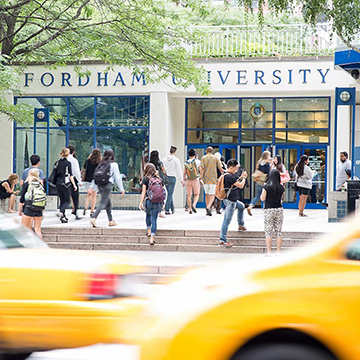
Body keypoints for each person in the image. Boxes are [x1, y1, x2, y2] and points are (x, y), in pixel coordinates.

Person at [90, 149, 125, 228]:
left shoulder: (101, 163)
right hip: (107, 185)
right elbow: (118, 178)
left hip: (100, 185)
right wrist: (121, 188)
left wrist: (92, 186)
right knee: (103, 202)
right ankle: (94, 217)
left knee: (107, 202)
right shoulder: (114, 164)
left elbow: (95, 176)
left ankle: (111, 221)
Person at [219, 159, 248, 248]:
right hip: (231, 201)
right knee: (226, 220)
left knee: (241, 206)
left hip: (230, 200)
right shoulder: (229, 177)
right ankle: (222, 239)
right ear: (231, 167)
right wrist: (244, 178)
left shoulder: (227, 175)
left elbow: (234, 182)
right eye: (235, 168)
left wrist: (240, 177)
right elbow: (240, 185)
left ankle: (240, 224)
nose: (236, 170)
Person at [260, 169, 285, 255]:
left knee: (268, 231)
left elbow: (262, 198)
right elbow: (282, 199)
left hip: (269, 210)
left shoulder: (266, 186)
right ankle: (278, 252)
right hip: (279, 209)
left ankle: (269, 252)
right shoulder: (281, 187)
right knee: (278, 231)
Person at [139, 163, 164, 245]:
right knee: (154, 219)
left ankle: (149, 231)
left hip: (148, 201)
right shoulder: (159, 179)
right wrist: (162, 203)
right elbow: (162, 191)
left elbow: (144, 191)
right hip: (157, 202)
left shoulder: (146, 179)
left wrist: (141, 202)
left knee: (148, 215)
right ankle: (152, 238)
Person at [19, 169, 45, 238]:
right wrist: (42, 210)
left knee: (24, 228)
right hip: (39, 207)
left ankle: (25, 246)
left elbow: (22, 199)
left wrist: (19, 211)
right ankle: (40, 246)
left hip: (29, 207)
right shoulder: (40, 184)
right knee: (38, 229)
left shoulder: (26, 184)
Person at [54, 148, 77, 223]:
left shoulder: (57, 162)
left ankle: (63, 216)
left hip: (58, 183)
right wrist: (74, 185)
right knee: (67, 201)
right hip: (65, 183)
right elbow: (70, 175)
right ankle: (61, 211)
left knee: (62, 200)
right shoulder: (68, 163)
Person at [200, 146, 224, 216]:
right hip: (213, 179)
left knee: (207, 194)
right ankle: (208, 206)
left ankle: (207, 209)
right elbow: (220, 168)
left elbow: (201, 168)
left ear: (206, 151)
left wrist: (201, 177)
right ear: (212, 151)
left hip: (205, 179)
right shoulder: (215, 158)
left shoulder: (203, 158)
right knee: (212, 194)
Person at [247, 150, 271, 216]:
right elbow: (268, 173)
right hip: (264, 182)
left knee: (258, 196)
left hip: (258, 181)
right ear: (267, 156)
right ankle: (266, 209)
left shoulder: (259, 162)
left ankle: (250, 206)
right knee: (266, 195)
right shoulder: (267, 164)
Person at [162, 146, 183, 215]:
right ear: (175, 152)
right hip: (172, 177)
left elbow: (162, 169)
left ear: (169, 151)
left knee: (169, 193)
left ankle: (172, 208)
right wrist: (181, 180)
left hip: (165, 177)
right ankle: (167, 209)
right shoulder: (176, 160)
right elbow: (179, 170)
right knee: (170, 194)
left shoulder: (164, 159)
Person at [82, 148, 102, 217]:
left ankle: (85, 207)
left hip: (88, 179)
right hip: (95, 180)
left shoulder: (88, 161)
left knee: (88, 195)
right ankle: (92, 211)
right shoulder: (99, 162)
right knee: (94, 196)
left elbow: (84, 168)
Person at [150, 150, 167, 217]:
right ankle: (159, 211)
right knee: (160, 194)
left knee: (151, 194)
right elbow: (163, 170)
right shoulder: (160, 163)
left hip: (151, 181)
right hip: (159, 181)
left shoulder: (150, 164)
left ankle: (151, 210)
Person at [183, 148, 201, 214]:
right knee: (196, 194)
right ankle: (194, 205)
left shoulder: (186, 162)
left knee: (189, 195)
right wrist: (201, 177)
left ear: (188, 155)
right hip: (196, 180)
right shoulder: (198, 162)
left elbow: (184, 172)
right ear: (195, 155)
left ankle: (190, 209)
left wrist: (183, 180)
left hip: (188, 180)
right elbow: (200, 170)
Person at [67, 145, 82, 220]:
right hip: (73, 179)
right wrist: (79, 180)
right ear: (73, 152)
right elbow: (76, 171)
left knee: (65, 196)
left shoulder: (62, 159)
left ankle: (62, 211)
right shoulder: (74, 160)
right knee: (75, 196)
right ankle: (75, 210)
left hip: (64, 179)